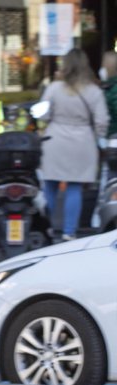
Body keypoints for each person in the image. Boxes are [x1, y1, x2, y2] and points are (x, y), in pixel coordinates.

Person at [40, 48, 109, 241]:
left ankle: (46, 228)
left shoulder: (54, 88)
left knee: (50, 186)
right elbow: (102, 121)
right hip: (82, 141)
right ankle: (69, 232)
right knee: (74, 187)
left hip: (54, 139)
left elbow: (43, 114)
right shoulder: (94, 91)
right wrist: (95, 137)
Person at [101, 51, 117, 138]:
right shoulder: (107, 85)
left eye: (104, 64)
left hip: (113, 137)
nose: (102, 68)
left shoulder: (114, 88)